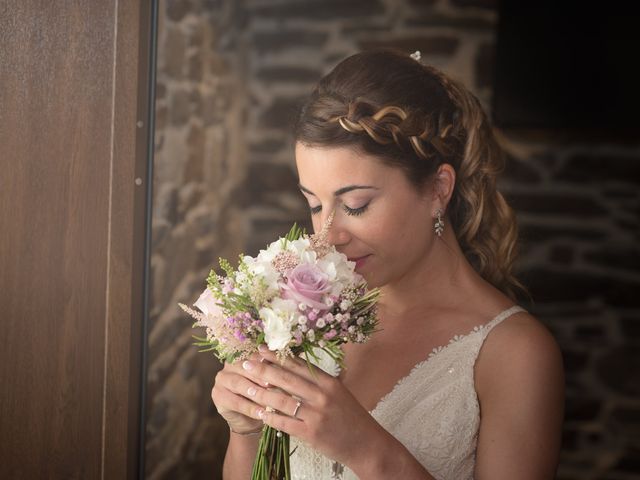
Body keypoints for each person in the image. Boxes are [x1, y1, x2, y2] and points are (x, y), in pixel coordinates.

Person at [211, 49, 565, 479]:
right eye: (314, 204)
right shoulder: (309, 316)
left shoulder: (515, 354)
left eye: (356, 205)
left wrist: (366, 449)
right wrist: (245, 431)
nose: (328, 235)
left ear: (438, 188)